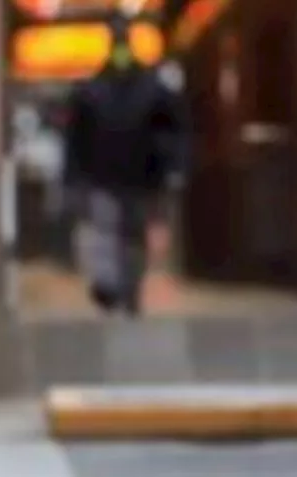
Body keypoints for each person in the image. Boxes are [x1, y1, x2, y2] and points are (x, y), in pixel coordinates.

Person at [63, 12, 189, 316]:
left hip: (134, 176)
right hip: (116, 177)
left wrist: (173, 165)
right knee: (113, 234)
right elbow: (76, 138)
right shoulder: (101, 90)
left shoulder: (136, 89)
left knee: (126, 236)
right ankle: (115, 286)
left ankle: (124, 288)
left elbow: (172, 129)